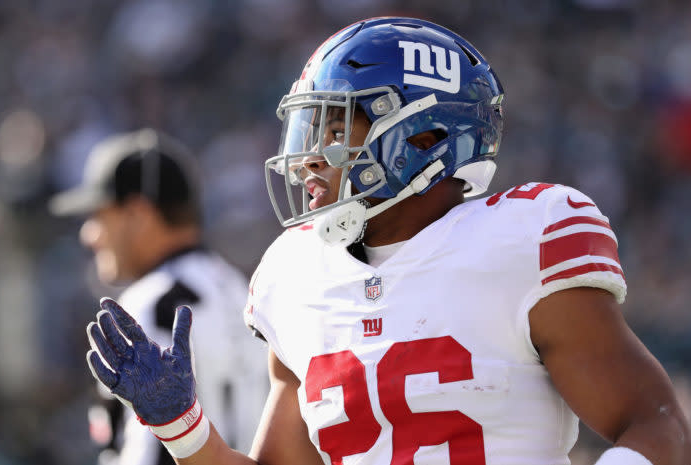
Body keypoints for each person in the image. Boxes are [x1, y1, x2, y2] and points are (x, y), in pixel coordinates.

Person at [84, 18, 691, 465]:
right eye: (308, 129)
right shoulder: (295, 276)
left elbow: (655, 426)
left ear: (424, 137)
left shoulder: (520, 243)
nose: (306, 161)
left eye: (335, 127)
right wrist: (184, 429)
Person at [50, 128, 267, 465]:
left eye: (98, 216)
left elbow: (154, 453)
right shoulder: (240, 288)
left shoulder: (150, 305)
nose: (89, 235)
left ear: (138, 214)